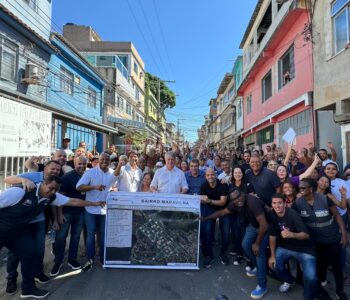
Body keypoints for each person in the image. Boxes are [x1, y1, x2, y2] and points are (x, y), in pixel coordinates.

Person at [0, 176, 105, 298]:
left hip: (17, 232)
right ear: (43, 183)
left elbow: (72, 201)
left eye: (55, 190)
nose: (52, 192)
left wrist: (94, 203)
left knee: (29, 253)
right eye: (50, 188)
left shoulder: (51, 197)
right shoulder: (20, 192)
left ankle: (28, 288)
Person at [202, 190, 269, 299]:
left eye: (239, 197)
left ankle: (262, 286)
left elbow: (264, 225)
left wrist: (257, 243)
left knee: (258, 253)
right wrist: (206, 218)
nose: (238, 201)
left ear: (243, 194)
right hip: (253, 226)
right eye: (234, 200)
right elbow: (222, 212)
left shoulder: (252, 202)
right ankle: (258, 267)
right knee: (245, 245)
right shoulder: (235, 203)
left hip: (264, 228)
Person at [293, 178, 349, 300]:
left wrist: (344, 234)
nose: (300, 189)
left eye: (303, 187)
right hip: (314, 241)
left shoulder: (324, 199)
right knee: (320, 264)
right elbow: (291, 218)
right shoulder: (298, 203)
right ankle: (321, 285)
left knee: (336, 266)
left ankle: (340, 291)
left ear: (310, 189)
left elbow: (337, 215)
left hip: (331, 238)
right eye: (299, 187)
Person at [268, 193, 317, 300]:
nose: (277, 206)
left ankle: (308, 297)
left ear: (285, 203)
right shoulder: (271, 215)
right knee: (275, 266)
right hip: (285, 247)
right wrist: (272, 255)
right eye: (274, 203)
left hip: (305, 249)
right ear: (271, 204)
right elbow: (272, 236)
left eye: (280, 203)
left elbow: (306, 235)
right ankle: (290, 280)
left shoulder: (292, 214)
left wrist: (292, 234)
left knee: (311, 277)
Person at [76, 153, 118, 270]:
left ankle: (103, 259)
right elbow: (79, 187)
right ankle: (90, 258)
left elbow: (115, 186)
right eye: (102, 159)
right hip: (91, 210)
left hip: (105, 210)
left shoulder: (112, 172)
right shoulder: (90, 172)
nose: (104, 161)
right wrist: (94, 187)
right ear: (99, 161)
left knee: (104, 234)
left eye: (107, 160)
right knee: (90, 234)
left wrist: (114, 189)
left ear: (109, 162)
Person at [50, 156, 88, 277]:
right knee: (61, 238)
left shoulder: (87, 176)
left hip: (80, 212)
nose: (81, 166)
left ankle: (72, 259)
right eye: (79, 164)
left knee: (76, 237)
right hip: (66, 213)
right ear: (74, 164)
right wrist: (59, 215)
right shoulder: (67, 177)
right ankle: (58, 262)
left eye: (83, 164)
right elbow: (60, 197)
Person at [199, 168, 229, 267]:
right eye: (208, 175)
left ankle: (223, 253)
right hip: (209, 209)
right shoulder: (203, 186)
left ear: (215, 175)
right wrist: (204, 201)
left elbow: (222, 202)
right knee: (206, 230)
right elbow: (202, 201)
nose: (210, 177)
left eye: (212, 175)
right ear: (205, 176)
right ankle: (208, 255)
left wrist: (209, 201)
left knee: (226, 232)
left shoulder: (223, 185)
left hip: (223, 210)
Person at [228, 165, 254, 265]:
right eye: (235, 173)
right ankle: (239, 255)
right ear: (233, 174)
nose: (237, 174)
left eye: (239, 172)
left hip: (246, 215)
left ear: (243, 174)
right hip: (234, 215)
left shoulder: (248, 185)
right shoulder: (230, 185)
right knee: (237, 235)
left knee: (246, 237)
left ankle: (248, 258)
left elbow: (252, 199)